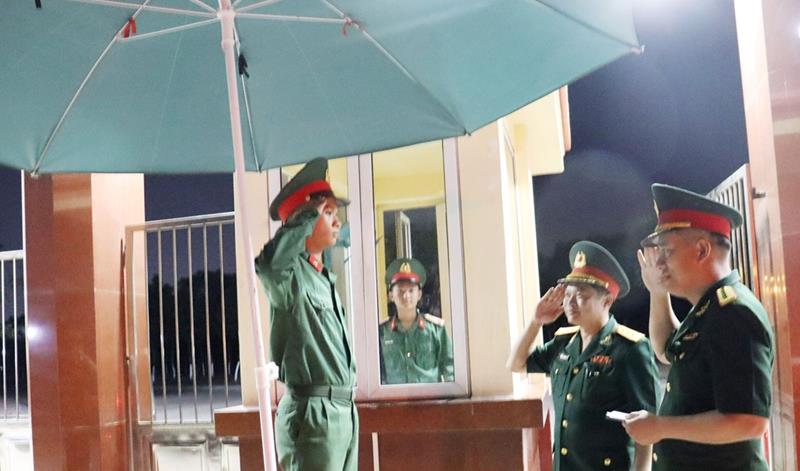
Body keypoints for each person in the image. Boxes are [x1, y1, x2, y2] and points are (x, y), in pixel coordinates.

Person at [623, 183, 775, 470]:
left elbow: (749, 421)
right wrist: (657, 292)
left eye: (666, 251)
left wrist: (660, 427)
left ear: (702, 249)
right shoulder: (710, 308)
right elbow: (666, 350)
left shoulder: (733, 313)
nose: (660, 262)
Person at [508, 241, 659, 471]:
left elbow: (647, 430)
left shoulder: (630, 349)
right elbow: (516, 364)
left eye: (581, 295)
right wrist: (536, 321)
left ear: (606, 301)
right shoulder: (563, 343)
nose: (570, 303)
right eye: (567, 295)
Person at [255, 157, 358, 471]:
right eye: (328, 213)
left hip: (342, 412)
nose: (337, 223)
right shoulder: (290, 276)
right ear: (304, 218)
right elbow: (269, 267)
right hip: (313, 415)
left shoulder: (322, 277)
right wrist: (307, 215)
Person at [379, 257, 455, 384]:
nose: (406, 296)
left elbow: (450, 368)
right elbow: (378, 374)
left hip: (431, 395)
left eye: (411, 290)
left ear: (419, 294)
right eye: (400, 291)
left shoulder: (435, 330)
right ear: (391, 295)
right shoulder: (382, 332)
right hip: (395, 396)